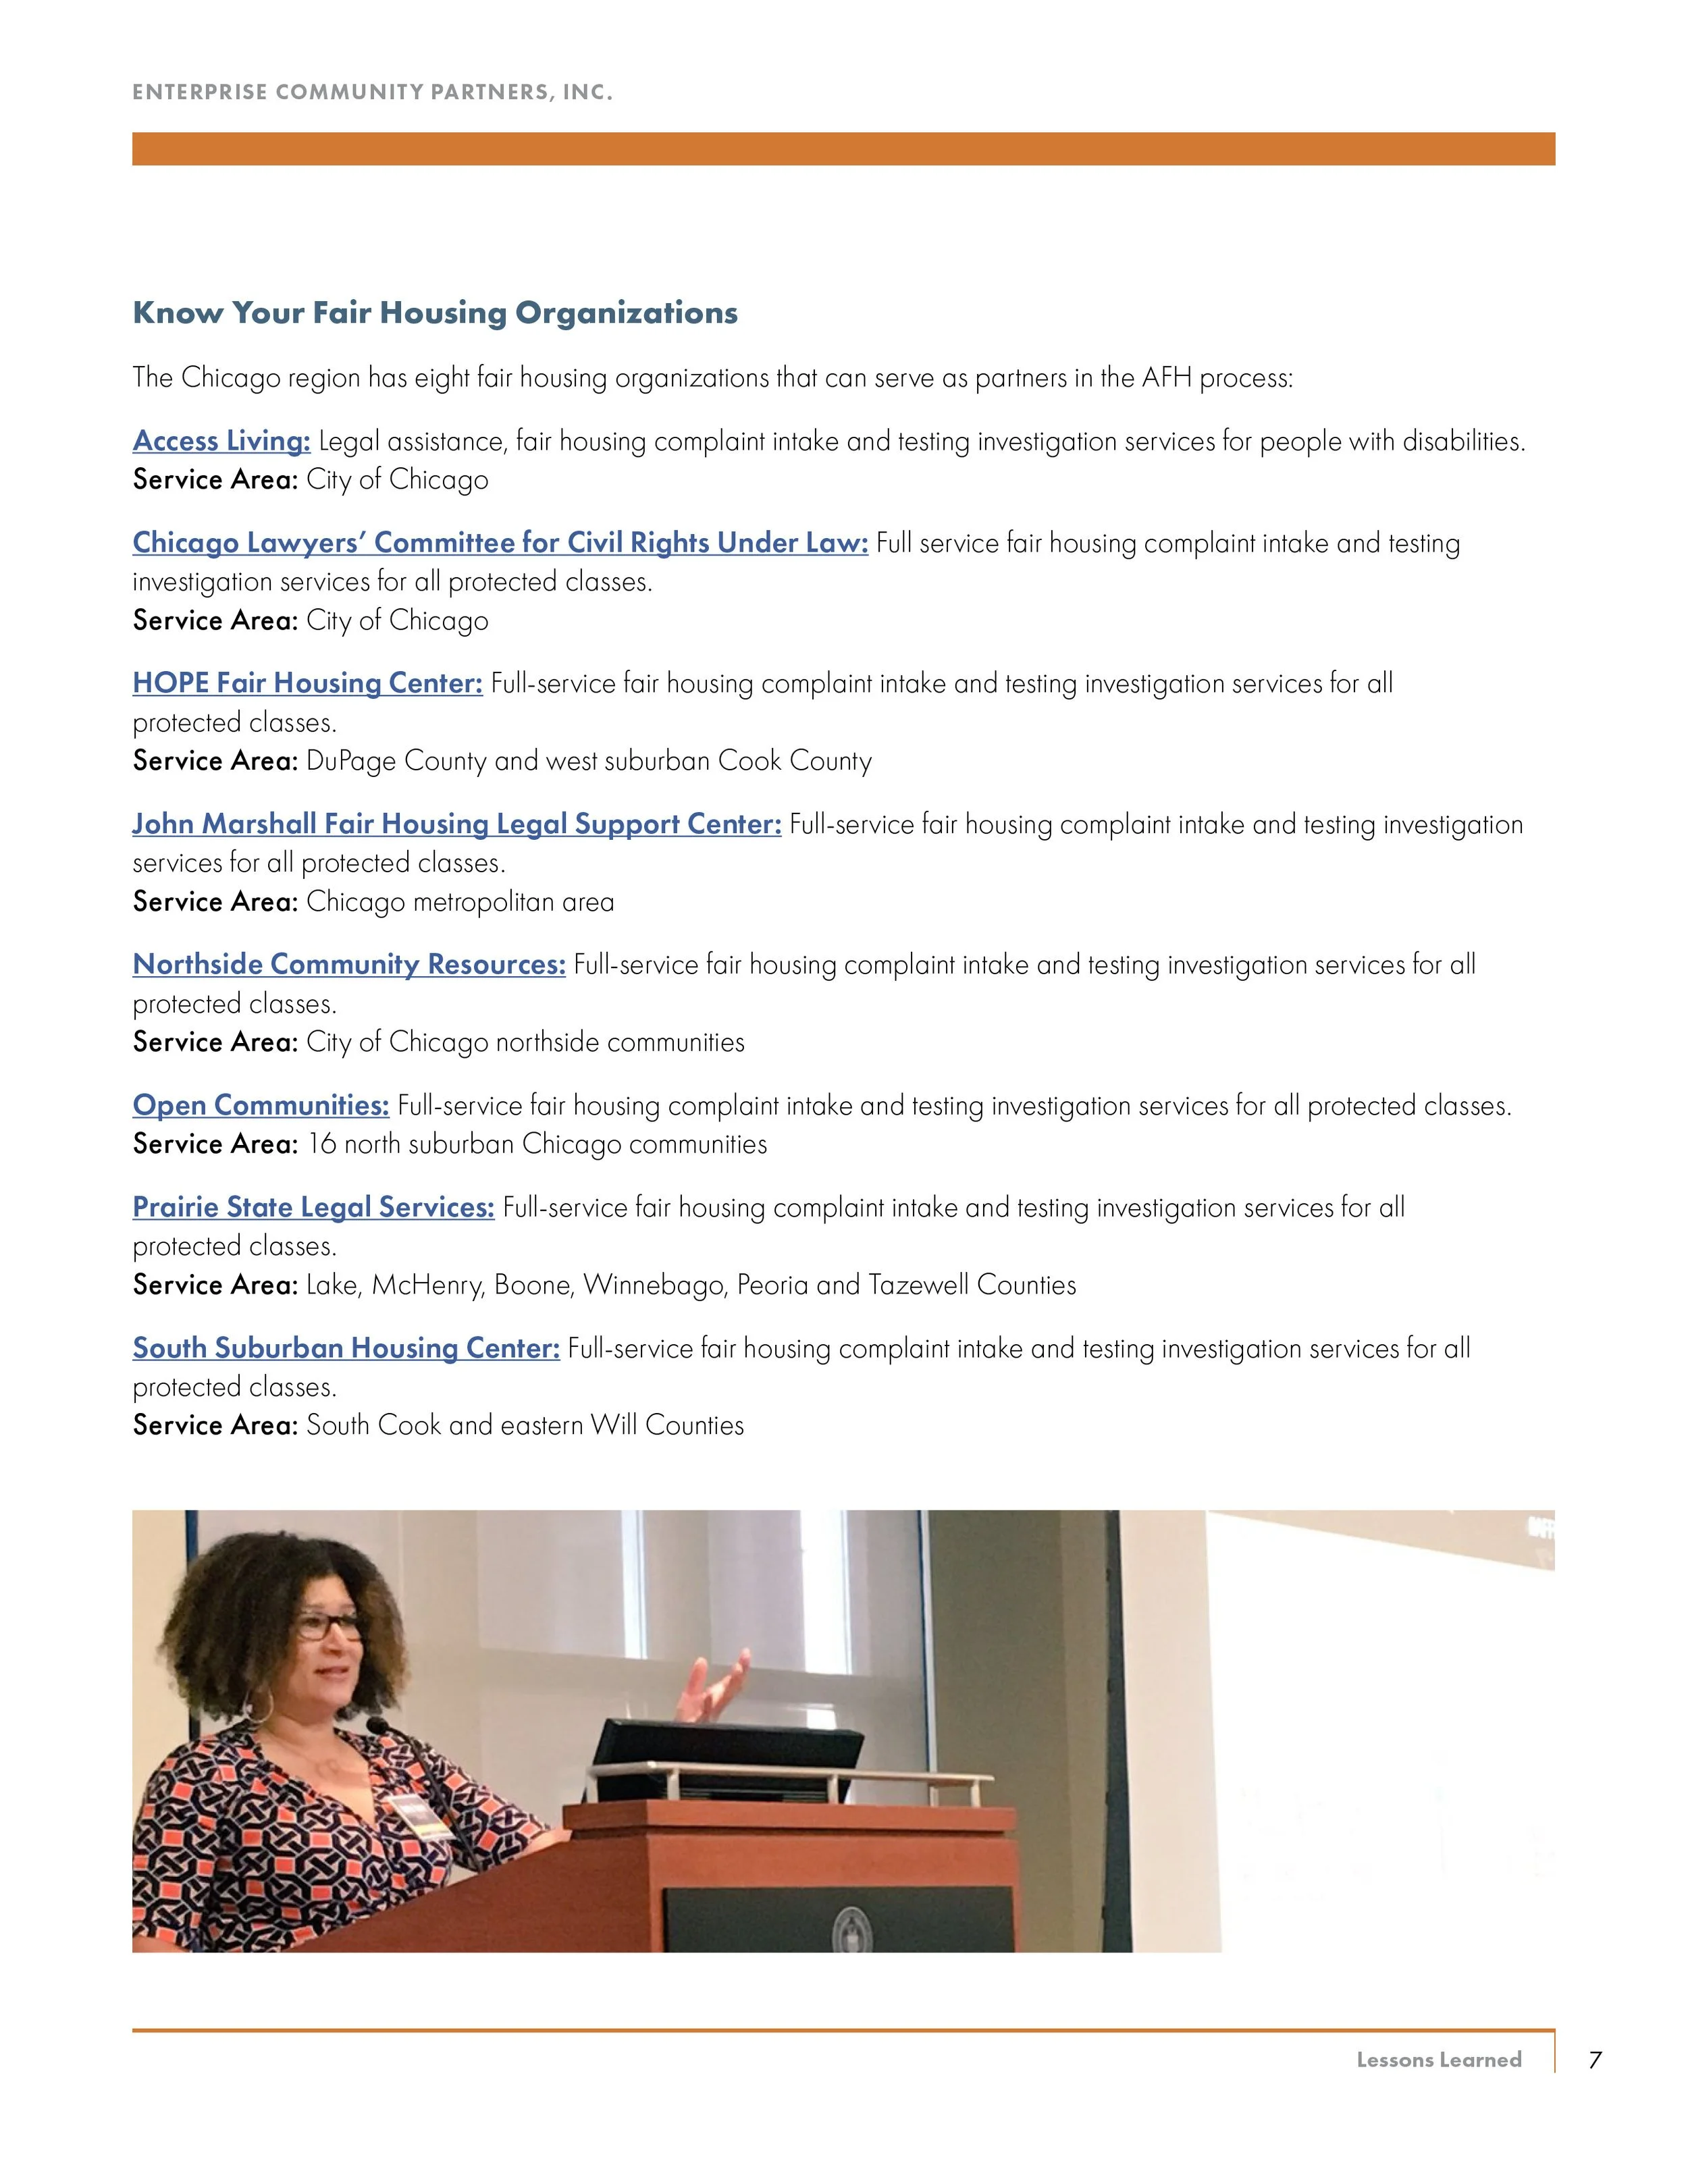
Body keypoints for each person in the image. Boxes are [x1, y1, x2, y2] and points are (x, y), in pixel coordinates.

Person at [132, 1530, 751, 1952]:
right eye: (312, 1622)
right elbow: (154, 1952)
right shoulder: (202, 1775)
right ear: (247, 1639)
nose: (341, 1641)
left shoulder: (400, 1759)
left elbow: (556, 1857)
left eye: (349, 1620)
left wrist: (666, 1755)